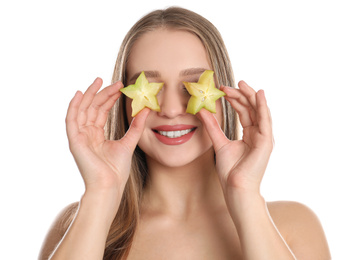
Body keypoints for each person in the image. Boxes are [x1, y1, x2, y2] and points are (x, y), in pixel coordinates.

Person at [39, 7, 331, 260]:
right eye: (149, 87)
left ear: (223, 96)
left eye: (190, 86)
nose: (169, 109)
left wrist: (244, 194)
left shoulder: (293, 225)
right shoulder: (77, 225)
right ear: (124, 103)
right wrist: (101, 191)